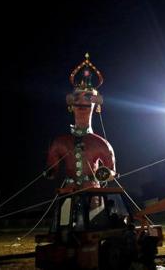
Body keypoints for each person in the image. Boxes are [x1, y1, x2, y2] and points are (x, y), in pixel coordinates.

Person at [44, 54, 116, 189]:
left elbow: (112, 171)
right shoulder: (60, 142)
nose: (82, 102)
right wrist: (50, 171)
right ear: (71, 104)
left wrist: (105, 174)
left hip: (93, 193)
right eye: (77, 98)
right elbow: (52, 166)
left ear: (96, 104)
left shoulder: (101, 144)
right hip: (69, 192)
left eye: (88, 98)